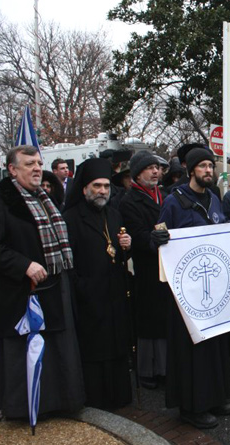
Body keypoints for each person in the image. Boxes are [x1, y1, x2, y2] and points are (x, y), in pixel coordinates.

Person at [154, 148, 230, 428]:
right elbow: (161, 239)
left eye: (211, 166)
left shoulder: (214, 199)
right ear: (191, 170)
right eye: (202, 166)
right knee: (192, 349)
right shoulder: (174, 202)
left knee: (214, 343)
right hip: (187, 291)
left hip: (213, 287)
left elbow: (219, 231)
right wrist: (157, 238)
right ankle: (192, 406)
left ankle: (215, 396)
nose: (208, 170)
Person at [0, 145, 85, 419]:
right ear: (12, 169)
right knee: (27, 351)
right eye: (29, 163)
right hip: (20, 293)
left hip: (54, 287)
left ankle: (59, 403)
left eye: (39, 162)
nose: (36, 168)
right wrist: (24, 265)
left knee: (57, 349)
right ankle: (26, 408)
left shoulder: (45, 196)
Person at [63, 158, 133, 410]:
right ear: (84, 189)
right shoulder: (70, 218)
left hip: (114, 292)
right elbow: (67, 262)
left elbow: (116, 252)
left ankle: (120, 396)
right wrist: (81, 288)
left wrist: (127, 247)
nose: (103, 191)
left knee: (116, 345)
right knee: (95, 350)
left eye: (106, 186)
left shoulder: (113, 214)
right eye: (97, 186)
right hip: (88, 296)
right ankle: (98, 401)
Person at [119, 151, 169, 390]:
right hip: (147, 266)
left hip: (167, 263)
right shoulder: (129, 201)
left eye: (157, 168)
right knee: (149, 319)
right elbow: (135, 234)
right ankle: (147, 369)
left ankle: (165, 366)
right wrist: (151, 239)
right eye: (150, 168)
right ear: (138, 173)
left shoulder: (165, 195)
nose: (156, 172)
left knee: (164, 316)